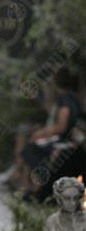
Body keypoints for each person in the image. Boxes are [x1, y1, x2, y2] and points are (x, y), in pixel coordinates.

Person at [16, 67, 81, 198]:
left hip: (64, 140)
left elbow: (61, 126)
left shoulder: (66, 100)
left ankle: (34, 188)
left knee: (32, 148)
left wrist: (42, 133)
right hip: (65, 138)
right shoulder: (70, 98)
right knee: (32, 145)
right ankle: (28, 187)